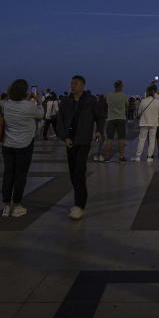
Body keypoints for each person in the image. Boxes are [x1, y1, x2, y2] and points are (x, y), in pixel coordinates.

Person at [57, 75, 102, 219]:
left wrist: (99, 130)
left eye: (75, 83)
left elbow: (100, 116)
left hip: (83, 140)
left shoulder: (90, 101)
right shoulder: (66, 102)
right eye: (71, 83)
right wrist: (64, 138)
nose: (72, 86)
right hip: (70, 141)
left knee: (79, 171)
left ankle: (79, 204)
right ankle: (79, 200)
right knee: (73, 172)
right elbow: (60, 121)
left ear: (83, 85)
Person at [0, 79, 44, 217]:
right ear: (25, 91)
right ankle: (17, 205)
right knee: (20, 176)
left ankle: (6, 206)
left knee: (8, 175)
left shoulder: (5, 105)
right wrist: (38, 101)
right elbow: (41, 114)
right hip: (24, 145)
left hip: (7, 144)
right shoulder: (29, 106)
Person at [133, 85, 159, 162]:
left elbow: (139, 113)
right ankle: (149, 157)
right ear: (154, 92)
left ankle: (138, 156)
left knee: (142, 140)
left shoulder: (143, 101)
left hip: (144, 123)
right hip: (154, 123)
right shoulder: (157, 102)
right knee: (152, 140)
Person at [103, 80, 129, 162]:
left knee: (109, 138)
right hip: (121, 118)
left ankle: (107, 156)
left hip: (111, 118)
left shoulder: (109, 95)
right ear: (121, 86)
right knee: (121, 138)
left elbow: (107, 105)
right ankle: (121, 156)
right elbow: (127, 105)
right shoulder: (124, 96)